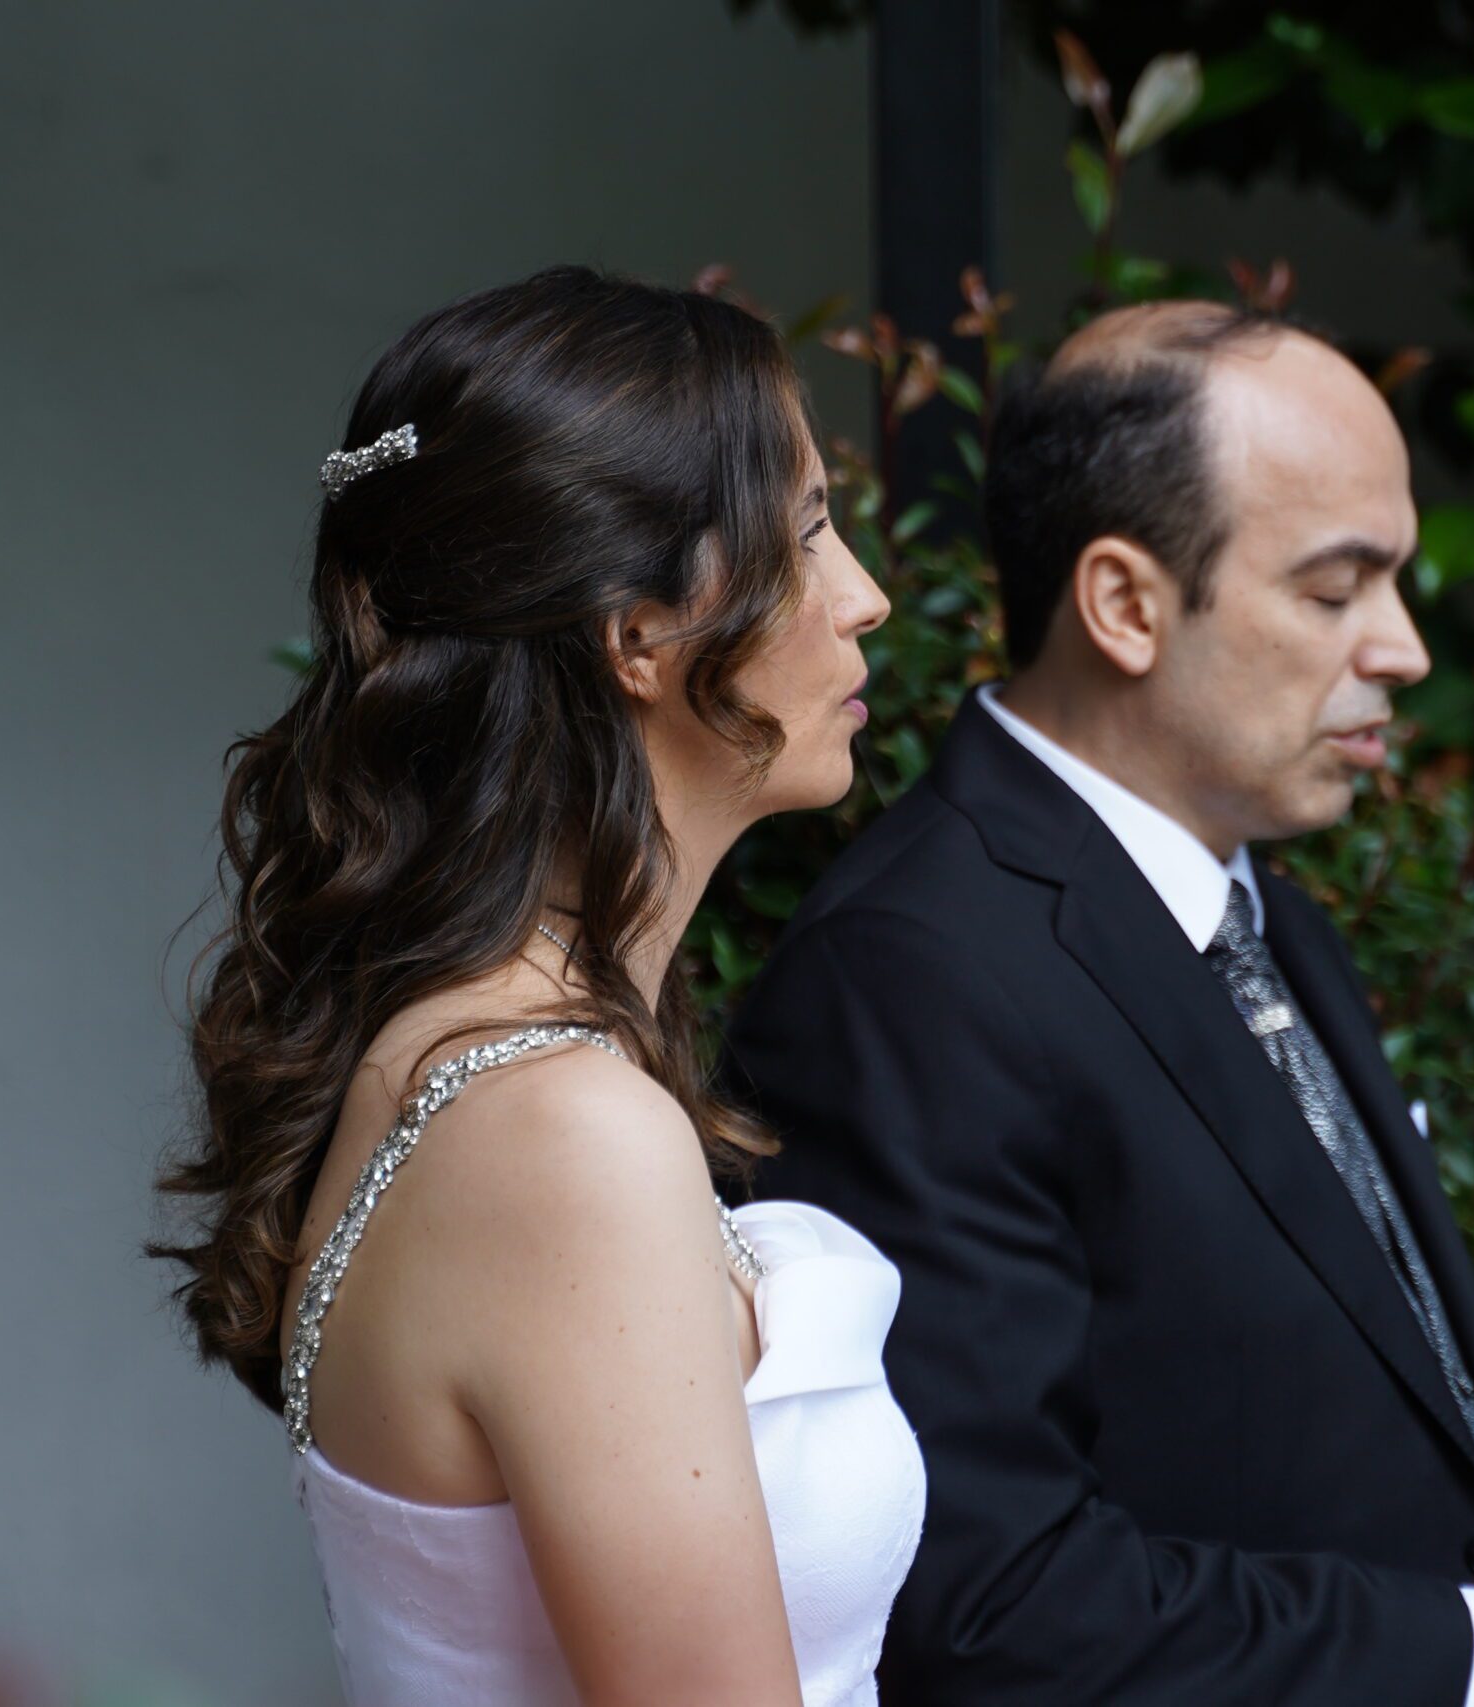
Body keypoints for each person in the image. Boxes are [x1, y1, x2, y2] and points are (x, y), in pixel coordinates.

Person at [722, 301, 1474, 1707]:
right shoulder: (911, 973)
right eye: (1337, 591)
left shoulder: (1259, 907)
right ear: (1124, 605)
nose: (1405, 650)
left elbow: (1301, 1436)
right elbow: (984, 1601)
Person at [153, 266, 915, 1707]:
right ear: (636, 638)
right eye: (809, 532)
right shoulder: (558, 1132)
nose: (864, 598)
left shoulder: (464, 1058)